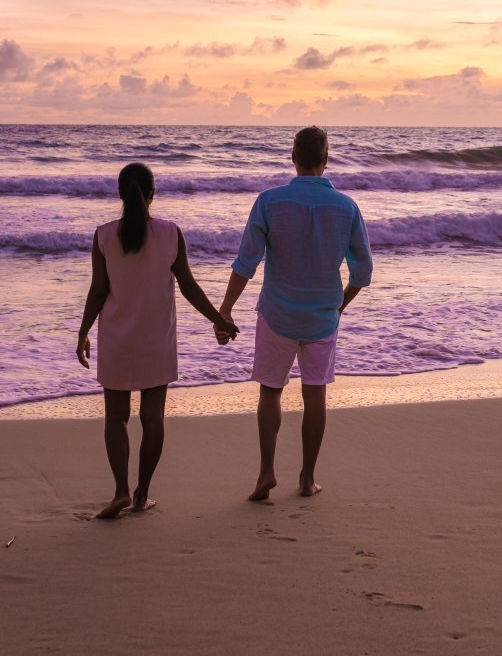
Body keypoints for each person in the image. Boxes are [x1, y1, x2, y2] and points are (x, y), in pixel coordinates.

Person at [217, 126, 372, 501]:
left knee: (270, 392)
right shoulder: (346, 207)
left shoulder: (270, 202)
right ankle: (306, 478)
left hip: (277, 312)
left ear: (293, 157)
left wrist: (225, 310)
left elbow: (245, 264)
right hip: (321, 316)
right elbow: (363, 272)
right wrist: (339, 305)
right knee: (314, 395)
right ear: (325, 158)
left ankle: (266, 472)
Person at [77, 162, 238, 519]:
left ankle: (119, 490)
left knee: (116, 418)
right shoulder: (170, 233)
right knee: (153, 418)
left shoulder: (103, 235)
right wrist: (219, 319)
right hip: (156, 340)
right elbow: (190, 286)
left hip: (117, 338)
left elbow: (98, 290)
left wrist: (83, 331)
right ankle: (140, 495)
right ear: (153, 195)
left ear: (120, 194)